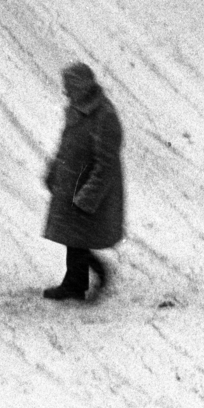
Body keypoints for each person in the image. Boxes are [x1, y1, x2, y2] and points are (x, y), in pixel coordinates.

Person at [42, 62, 125, 301]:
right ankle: (75, 284)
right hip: (72, 185)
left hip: (88, 189)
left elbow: (106, 162)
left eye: (69, 86)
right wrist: (54, 172)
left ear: (81, 86)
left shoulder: (104, 115)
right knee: (73, 238)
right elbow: (66, 146)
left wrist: (89, 195)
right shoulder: (77, 109)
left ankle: (88, 277)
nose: (65, 92)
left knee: (77, 238)